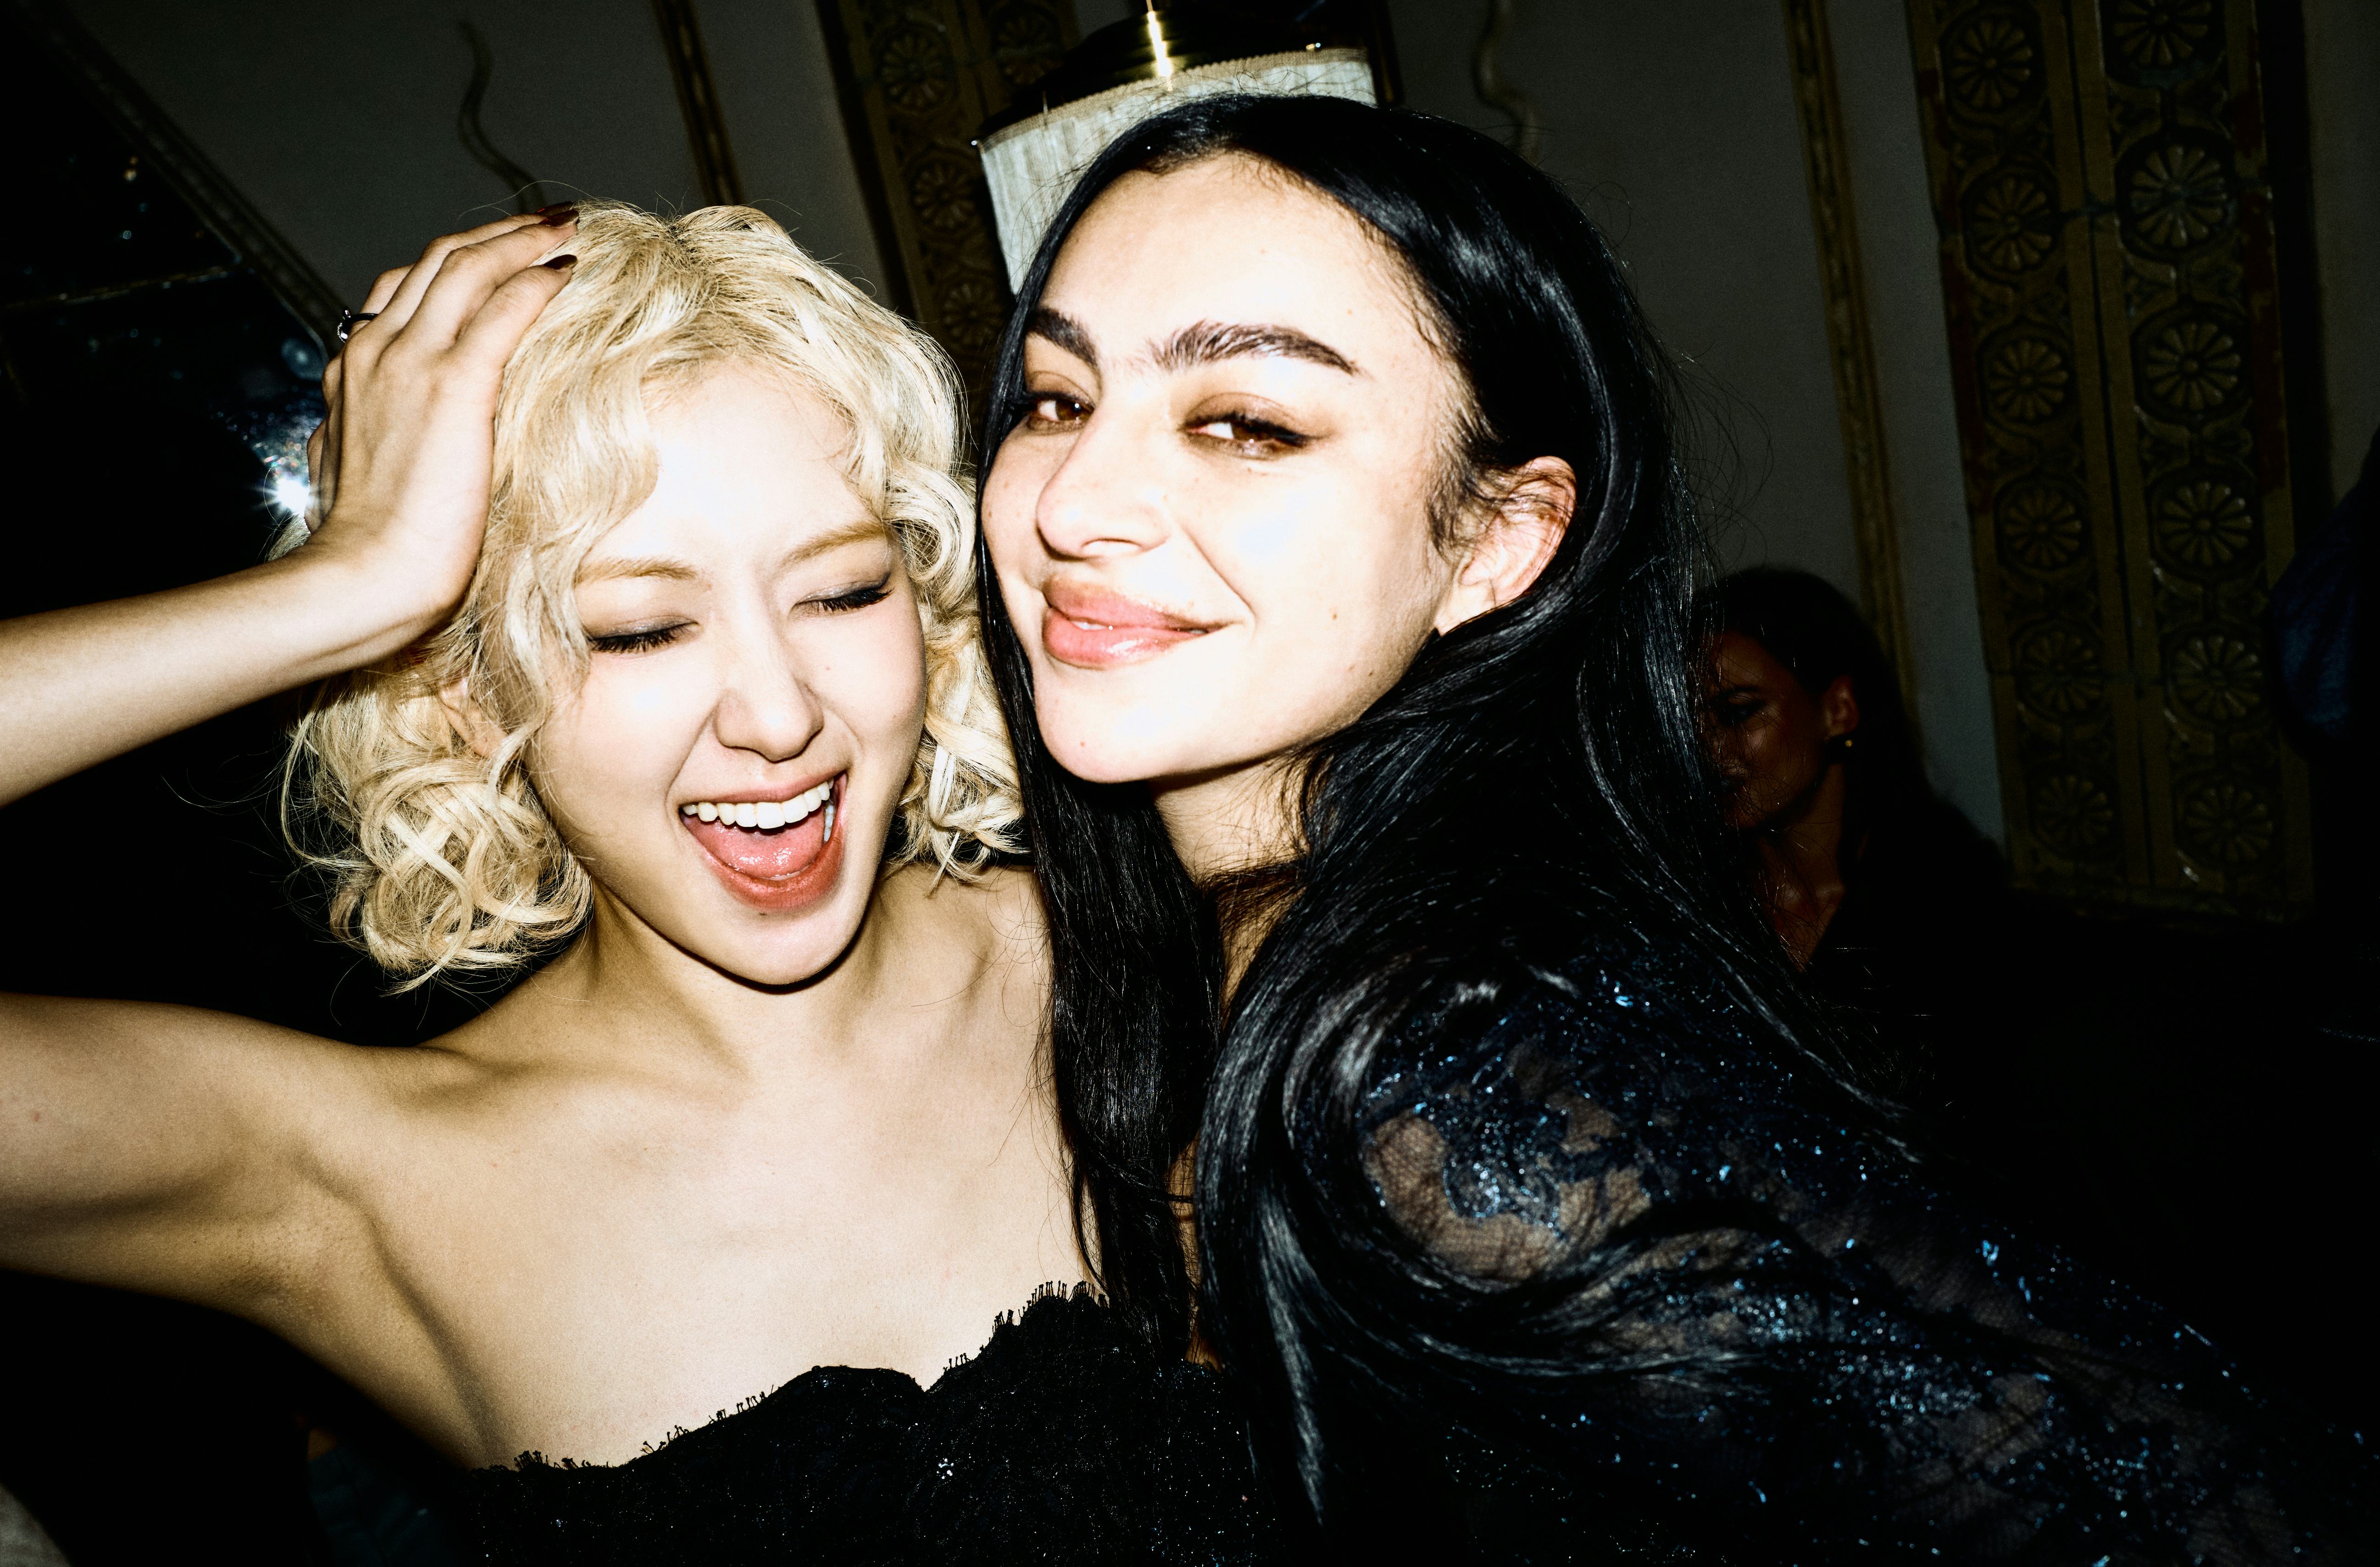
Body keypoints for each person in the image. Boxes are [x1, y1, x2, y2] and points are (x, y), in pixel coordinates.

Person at [973, 93, 2374, 1560]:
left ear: (1496, 539)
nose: (1076, 499)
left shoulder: (1432, 1070)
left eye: (1247, 423)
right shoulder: (1212, 955)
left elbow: (2198, 1496)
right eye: (1057, 398)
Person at [0, 204, 1260, 1562]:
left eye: (840, 593)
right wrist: (350, 591)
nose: (778, 715)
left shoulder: (1149, 947)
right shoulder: (369, 1179)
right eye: (638, 629)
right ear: (469, 693)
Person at [1701, 565, 2016, 1097]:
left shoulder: (1946, 907)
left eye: (1738, 713)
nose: (1708, 749)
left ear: (1837, 710)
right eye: (1687, 722)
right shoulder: (1698, 898)